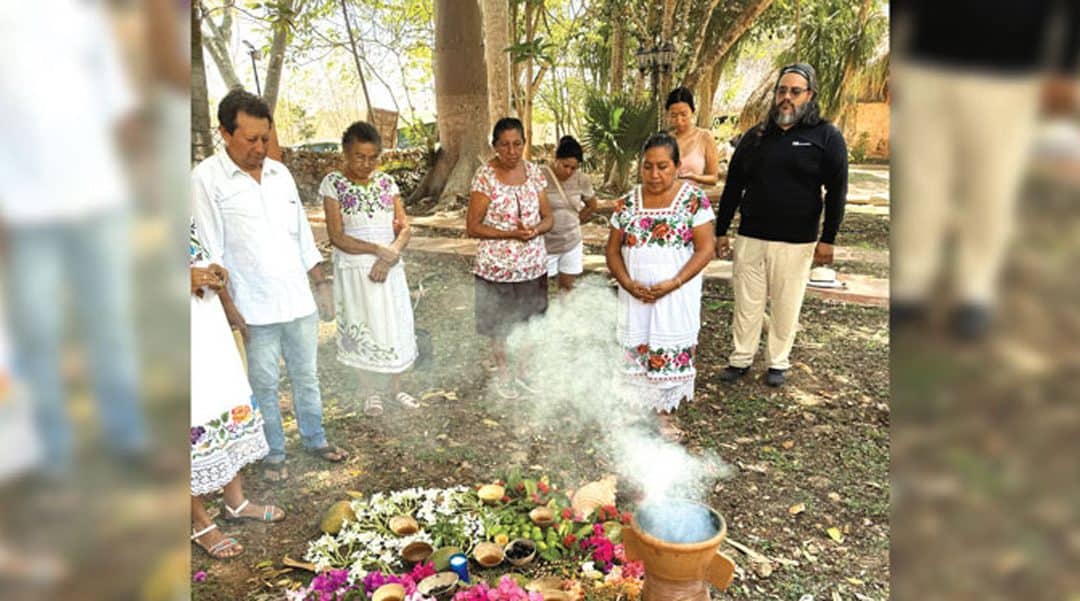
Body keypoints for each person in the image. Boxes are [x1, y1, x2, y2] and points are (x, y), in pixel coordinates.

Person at [891, 0, 1079, 340]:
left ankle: (974, 293)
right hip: (926, 66)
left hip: (1008, 74)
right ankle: (910, 286)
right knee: (921, 187)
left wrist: (1064, 68)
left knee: (992, 187)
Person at [192, 89, 347, 484]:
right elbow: (211, 252)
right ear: (225, 133)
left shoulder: (280, 173)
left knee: (307, 375)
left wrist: (321, 283)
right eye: (251, 139)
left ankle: (315, 438)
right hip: (252, 305)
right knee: (263, 382)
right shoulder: (206, 179)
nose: (260, 148)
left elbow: (301, 236)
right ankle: (273, 452)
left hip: (297, 299)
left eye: (265, 138)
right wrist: (229, 307)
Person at [714, 63, 848, 388]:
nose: (786, 98)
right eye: (782, 91)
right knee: (747, 303)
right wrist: (721, 231)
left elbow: (838, 189)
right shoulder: (755, 137)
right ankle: (740, 358)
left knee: (786, 304)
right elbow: (733, 186)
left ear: (810, 95)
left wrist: (827, 238)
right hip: (751, 237)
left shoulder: (826, 136)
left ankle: (777, 362)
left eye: (795, 91)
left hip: (796, 241)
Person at [607, 132, 716, 440]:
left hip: (675, 294)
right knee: (637, 350)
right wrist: (627, 283)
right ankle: (634, 413)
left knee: (666, 351)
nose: (655, 174)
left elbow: (705, 249)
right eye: (648, 166)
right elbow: (613, 250)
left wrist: (675, 282)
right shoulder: (626, 204)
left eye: (663, 167)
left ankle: (663, 416)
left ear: (677, 166)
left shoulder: (694, 200)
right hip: (635, 295)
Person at [189, 223, 283, 560]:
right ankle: (199, 523)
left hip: (206, 325)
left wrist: (219, 281)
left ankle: (236, 502)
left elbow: (205, 260)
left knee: (223, 407)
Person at [319, 121, 420, 417]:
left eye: (372, 157)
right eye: (359, 157)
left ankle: (397, 386)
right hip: (355, 269)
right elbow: (337, 236)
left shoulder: (387, 184)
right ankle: (370, 391)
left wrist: (391, 254)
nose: (366, 164)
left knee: (393, 323)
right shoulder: (333, 184)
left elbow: (405, 227)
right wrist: (377, 250)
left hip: (389, 268)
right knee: (363, 325)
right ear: (346, 154)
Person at [467, 117, 554, 400]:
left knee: (530, 322)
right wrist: (510, 235)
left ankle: (525, 372)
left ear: (524, 144)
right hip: (497, 269)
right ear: (494, 146)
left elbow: (548, 217)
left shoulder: (535, 173)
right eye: (504, 145)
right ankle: (504, 374)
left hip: (533, 265)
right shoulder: (485, 177)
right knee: (500, 326)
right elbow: (473, 226)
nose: (512, 151)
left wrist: (535, 229)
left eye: (517, 144)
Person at [543, 136, 599, 292]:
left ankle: (565, 316)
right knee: (540, 288)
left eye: (573, 168)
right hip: (545, 243)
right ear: (556, 159)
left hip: (571, 242)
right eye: (565, 165)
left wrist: (575, 221)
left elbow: (592, 206)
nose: (568, 171)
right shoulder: (540, 176)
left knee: (567, 288)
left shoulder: (582, 179)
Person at [666, 87, 720, 187]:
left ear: (692, 112)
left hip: (692, 198)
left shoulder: (705, 137)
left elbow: (713, 178)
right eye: (674, 115)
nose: (679, 120)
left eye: (683, 114)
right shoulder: (665, 140)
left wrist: (693, 177)